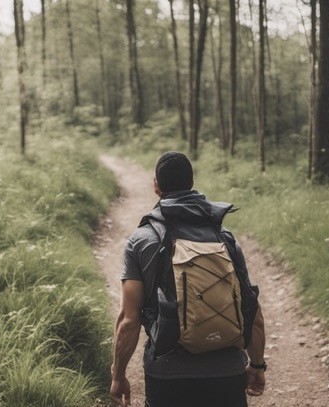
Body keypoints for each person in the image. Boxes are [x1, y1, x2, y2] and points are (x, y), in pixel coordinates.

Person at [110, 151, 266, 407]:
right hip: (227, 371)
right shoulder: (225, 238)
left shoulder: (140, 241)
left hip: (168, 375)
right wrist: (257, 365)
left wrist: (118, 375)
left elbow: (128, 320)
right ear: (192, 182)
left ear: (156, 186)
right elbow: (252, 310)